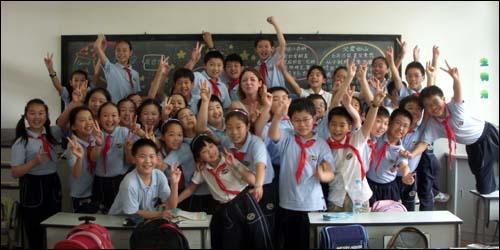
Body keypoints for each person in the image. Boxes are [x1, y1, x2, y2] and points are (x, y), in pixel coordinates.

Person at [415, 61, 499, 194]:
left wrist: (456, 79)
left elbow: (458, 92)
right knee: (484, 189)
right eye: (429, 106)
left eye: (436, 102)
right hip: (475, 147)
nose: (434, 107)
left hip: (490, 134)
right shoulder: (433, 124)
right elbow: (424, 143)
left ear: (443, 99)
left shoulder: (454, 106)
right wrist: (411, 153)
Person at [178, 135, 273, 249]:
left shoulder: (229, 159)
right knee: (233, 241)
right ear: (199, 158)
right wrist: (175, 201)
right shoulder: (202, 169)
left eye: (211, 146)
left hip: (245, 200)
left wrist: (234, 164)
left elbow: (252, 180)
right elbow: (191, 189)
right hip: (226, 207)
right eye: (204, 151)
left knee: (258, 236)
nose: (211, 152)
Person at [268, 98, 334, 249]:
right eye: (297, 120)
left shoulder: (321, 144)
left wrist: (323, 176)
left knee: (310, 243)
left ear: (314, 118)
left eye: (306, 119)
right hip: (288, 203)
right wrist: (277, 116)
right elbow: (273, 135)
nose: (302, 124)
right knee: (290, 243)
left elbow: (331, 172)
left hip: (312, 204)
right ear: (291, 121)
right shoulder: (288, 137)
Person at [11, 99, 63, 249]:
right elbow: (15, 172)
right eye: (32, 113)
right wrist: (34, 162)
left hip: (52, 182)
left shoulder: (53, 133)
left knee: (54, 225)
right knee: (34, 230)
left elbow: (66, 118)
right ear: (26, 117)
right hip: (32, 185)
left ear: (46, 116)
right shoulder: (21, 141)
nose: (37, 117)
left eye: (41, 113)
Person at [326, 84, 385, 212]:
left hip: (359, 197)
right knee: (336, 232)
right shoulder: (324, 147)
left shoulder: (355, 140)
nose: (337, 129)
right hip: (336, 198)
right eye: (333, 124)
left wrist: (374, 106)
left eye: (342, 125)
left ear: (349, 127)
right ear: (328, 125)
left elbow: (367, 124)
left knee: (359, 230)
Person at [108, 139, 181, 219]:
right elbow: (133, 213)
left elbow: (171, 206)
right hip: (119, 221)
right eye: (142, 156)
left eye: (151, 156)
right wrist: (159, 214)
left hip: (143, 220)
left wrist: (174, 184)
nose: (147, 161)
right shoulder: (129, 183)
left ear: (157, 158)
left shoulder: (159, 175)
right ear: (134, 159)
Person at [366, 108, 415, 205]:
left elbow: (404, 165)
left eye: (405, 126)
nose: (401, 128)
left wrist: (406, 175)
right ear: (390, 122)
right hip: (369, 184)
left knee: (388, 217)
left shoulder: (401, 151)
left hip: (389, 188)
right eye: (398, 123)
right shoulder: (377, 136)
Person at [92, 102, 132, 213]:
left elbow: (130, 161)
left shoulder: (124, 132)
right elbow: (93, 158)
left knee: (118, 212)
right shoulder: (95, 133)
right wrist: (99, 144)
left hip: (119, 180)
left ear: (119, 118)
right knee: (100, 211)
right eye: (105, 115)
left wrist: (128, 148)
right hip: (99, 180)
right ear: (99, 119)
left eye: (114, 115)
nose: (110, 119)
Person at [66, 106, 100, 213]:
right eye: (82, 120)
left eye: (90, 119)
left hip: (97, 191)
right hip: (81, 196)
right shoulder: (73, 145)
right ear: (73, 127)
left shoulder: (96, 139)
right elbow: (76, 174)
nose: (88, 122)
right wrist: (80, 158)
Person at [94, 35, 141, 103]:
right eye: (118, 50)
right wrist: (101, 36)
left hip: (130, 111)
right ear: (115, 52)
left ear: (130, 53)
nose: (121, 53)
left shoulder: (135, 74)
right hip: (114, 110)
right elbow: (97, 47)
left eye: (124, 50)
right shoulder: (110, 68)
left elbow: (136, 96)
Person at [255, 16, 287, 89]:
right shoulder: (256, 69)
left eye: (266, 47)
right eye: (260, 47)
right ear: (256, 50)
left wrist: (274, 23)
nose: (263, 49)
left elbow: (282, 44)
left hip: (278, 96)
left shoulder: (276, 60)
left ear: (272, 49)